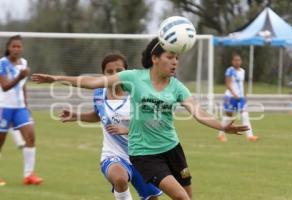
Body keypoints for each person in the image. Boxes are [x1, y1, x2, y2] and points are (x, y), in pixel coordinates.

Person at [32, 37, 248, 200]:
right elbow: (91, 82)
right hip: (145, 154)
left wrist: (222, 125)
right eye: (170, 57)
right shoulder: (133, 78)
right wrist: (56, 78)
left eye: (177, 58)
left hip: (172, 149)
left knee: (187, 198)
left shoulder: (177, 87)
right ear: (155, 58)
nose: (175, 62)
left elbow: (198, 112)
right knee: (181, 197)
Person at [59, 53, 161, 200]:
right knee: (119, 179)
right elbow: (99, 115)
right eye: (110, 71)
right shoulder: (99, 93)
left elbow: (153, 125)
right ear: (104, 74)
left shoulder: (137, 94)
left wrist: (128, 130)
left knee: (152, 198)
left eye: (119, 70)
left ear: (127, 72)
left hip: (142, 155)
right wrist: (76, 115)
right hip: (113, 155)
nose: (115, 74)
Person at [0, 35, 43, 185]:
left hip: (20, 108)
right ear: (8, 48)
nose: (17, 49)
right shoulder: (2, 63)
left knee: (30, 137)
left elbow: (23, 85)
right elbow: (5, 87)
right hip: (4, 108)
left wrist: (26, 105)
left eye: (19, 46)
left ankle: (29, 175)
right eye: (14, 46)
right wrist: (19, 76)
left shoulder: (23, 63)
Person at [218, 53, 258, 142]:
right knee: (228, 117)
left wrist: (245, 95)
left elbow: (242, 84)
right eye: (235, 60)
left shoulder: (242, 71)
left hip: (240, 98)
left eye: (239, 60)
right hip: (230, 97)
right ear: (232, 61)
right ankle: (221, 135)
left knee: (245, 115)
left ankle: (250, 136)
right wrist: (234, 94)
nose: (237, 62)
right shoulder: (230, 71)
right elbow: (228, 84)